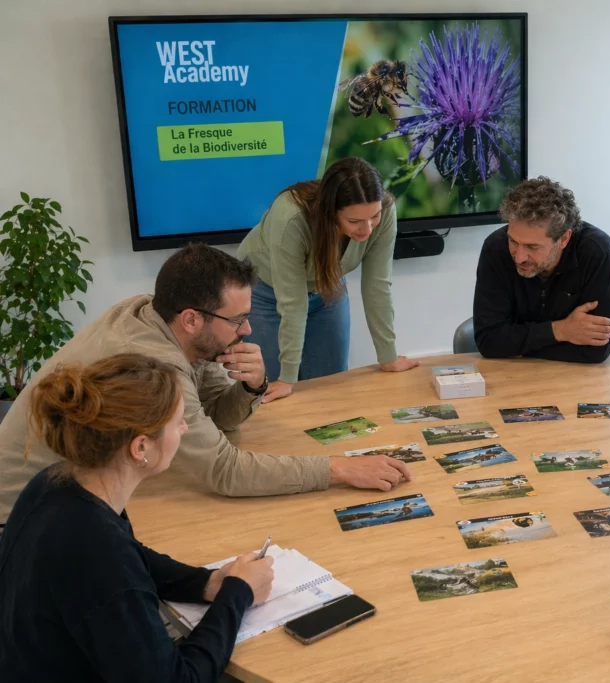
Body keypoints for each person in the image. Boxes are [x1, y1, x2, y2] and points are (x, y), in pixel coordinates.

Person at [0, 244, 410, 525]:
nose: (248, 328)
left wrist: (251, 388)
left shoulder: (166, 316)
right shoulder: (150, 363)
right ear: (193, 319)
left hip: (78, 496)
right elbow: (225, 471)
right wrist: (340, 468)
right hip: (26, 520)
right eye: (237, 321)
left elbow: (214, 412)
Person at [0, 354, 276, 681]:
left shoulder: (56, 483)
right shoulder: (96, 550)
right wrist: (237, 594)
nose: (185, 428)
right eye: (178, 422)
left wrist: (205, 582)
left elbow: (132, 554)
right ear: (140, 447)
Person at [238, 157, 419, 404]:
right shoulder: (290, 217)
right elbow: (292, 302)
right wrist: (287, 377)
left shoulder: (384, 212)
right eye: (354, 221)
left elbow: (377, 286)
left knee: (332, 392)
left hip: (326, 288)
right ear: (329, 213)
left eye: (373, 217)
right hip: (265, 294)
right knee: (275, 395)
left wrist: (388, 357)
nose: (367, 230)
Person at [473, 176, 610, 363]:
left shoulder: (597, 253)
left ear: (564, 239)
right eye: (513, 241)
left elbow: (596, 350)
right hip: (513, 375)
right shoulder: (495, 248)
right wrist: (561, 331)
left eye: (532, 247)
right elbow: (489, 341)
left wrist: (518, 345)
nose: (519, 257)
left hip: (583, 378)